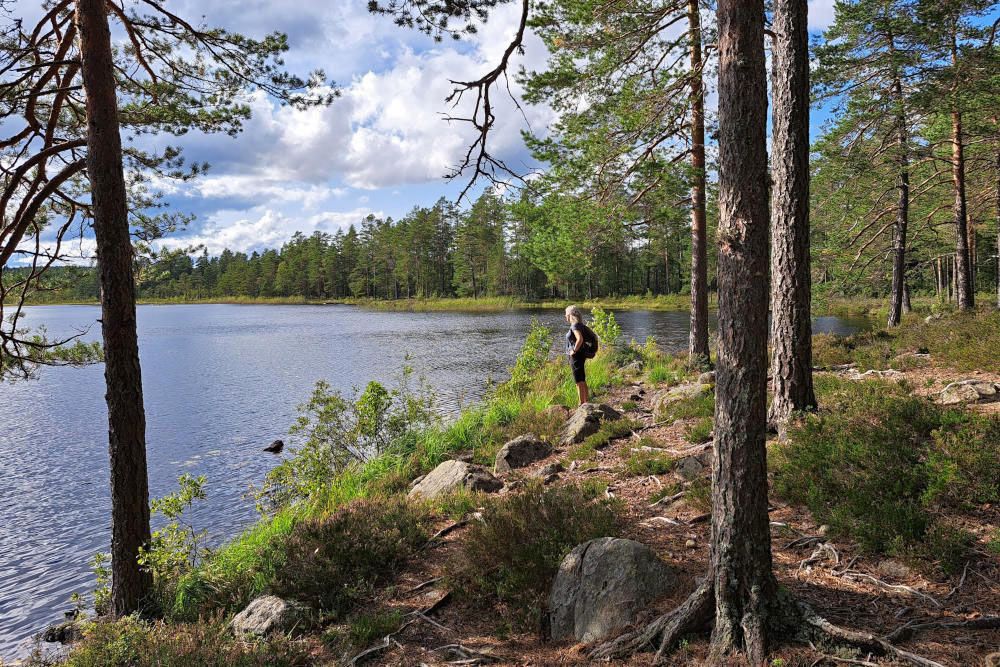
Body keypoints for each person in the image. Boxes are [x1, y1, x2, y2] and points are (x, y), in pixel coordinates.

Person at [564, 305, 595, 405]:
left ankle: (581, 403)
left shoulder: (574, 326)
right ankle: (586, 401)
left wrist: (573, 350)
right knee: (582, 378)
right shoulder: (580, 325)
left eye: (566, 314)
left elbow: (580, 339)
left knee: (578, 381)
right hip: (581, 355)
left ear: (570, 315)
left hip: (576, 356)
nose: (565, 317)